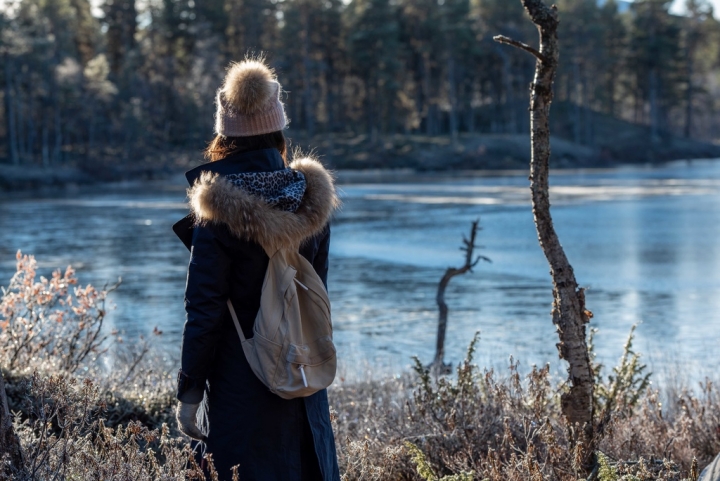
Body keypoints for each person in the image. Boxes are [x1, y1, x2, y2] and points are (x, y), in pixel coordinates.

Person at [172, 58, 341, 481]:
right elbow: (315, 292)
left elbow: (204, 311)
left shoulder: (216, 213)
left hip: (242, 384)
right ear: (277, 127)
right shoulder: (310, 199)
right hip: (302, 377)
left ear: (224, 132)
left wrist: (189, 394)